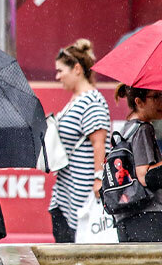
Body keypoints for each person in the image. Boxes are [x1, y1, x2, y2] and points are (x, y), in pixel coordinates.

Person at [48, 40, 110, 242]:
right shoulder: (76, 99)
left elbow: (99, 143)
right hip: (67, 189)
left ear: (76, 69)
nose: (57, 77)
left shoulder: (91, 100)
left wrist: (99, 179)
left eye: (60, 71)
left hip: (82, 193)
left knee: (77, 251)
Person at [112, 84, 162, 242]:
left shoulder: (126, 129)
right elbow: (144, 175)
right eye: (156, 97)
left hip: (127, 216)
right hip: (147, 216)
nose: (161, 101)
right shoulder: (143, 129)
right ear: (139, 102)